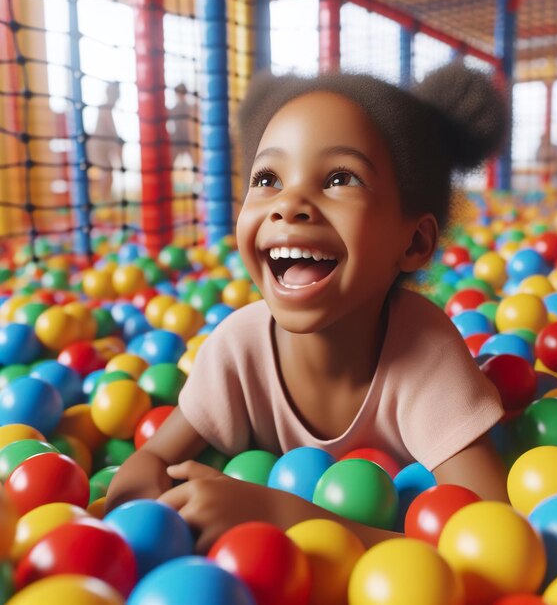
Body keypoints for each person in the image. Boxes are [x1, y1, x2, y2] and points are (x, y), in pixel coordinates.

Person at [106, 62, 509, 552]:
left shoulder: (425, 352)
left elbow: (491, 540)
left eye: (340, 177)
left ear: (415, 241)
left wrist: (285, 517)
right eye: (268, 178)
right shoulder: (236, 348)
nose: (288, 204)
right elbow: (151, 460)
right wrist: (134, 505)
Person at [88, 81, 123, 204]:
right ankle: (102, 201)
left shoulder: (108, 108)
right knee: (106, 174)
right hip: (98, 146)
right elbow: (111, 128)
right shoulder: (105, 108)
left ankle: (105, 199)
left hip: (103, 145)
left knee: (109, 174)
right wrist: (118, 141)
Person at [167, 83, 197, 169]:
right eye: (178, 93)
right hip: (177, 140)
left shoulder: (190, 108)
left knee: (195, 162)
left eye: (181, 93)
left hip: (189, 139)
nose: (179, 96)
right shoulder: (174, 109)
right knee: (170, 162)